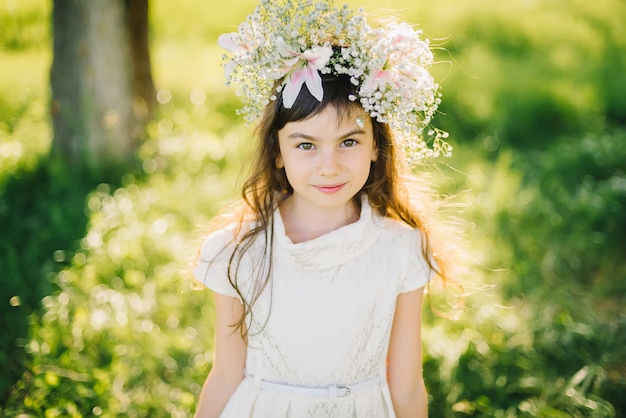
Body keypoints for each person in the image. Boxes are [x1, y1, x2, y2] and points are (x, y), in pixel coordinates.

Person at [193, 1, 456, 416]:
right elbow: (226, 374)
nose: (329, 166)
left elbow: (405, 385)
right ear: (277, 151)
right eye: (306, 145)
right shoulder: (237, 250)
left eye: (349, 141)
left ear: (375, 145)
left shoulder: (400, 249)